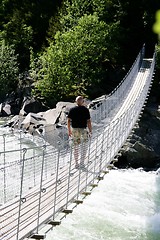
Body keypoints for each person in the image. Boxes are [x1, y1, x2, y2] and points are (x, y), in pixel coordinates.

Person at [67, 96, 92, 169]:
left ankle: (76, 163)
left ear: (75, 102)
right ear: (83, 102)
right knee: (84, 146)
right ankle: (82, 162)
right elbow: (89, 121)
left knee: (76, 147)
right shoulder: (86, 110)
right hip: (83, 130)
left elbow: (68, 120)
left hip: (74, 130)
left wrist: (69, 130)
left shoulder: (72, 110)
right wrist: (90, 131)